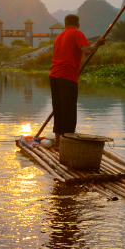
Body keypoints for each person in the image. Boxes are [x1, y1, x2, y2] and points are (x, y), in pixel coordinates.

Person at [48, 14, 104, 149]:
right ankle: (67, 146)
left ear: (65, 24)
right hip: (67, 76)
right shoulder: (77, 33)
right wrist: (98, 43)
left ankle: (57, 144)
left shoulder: (59, 37)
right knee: (69, 112)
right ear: (78, 25)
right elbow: (87, 51)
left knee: (58, 110)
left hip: (54, 76)